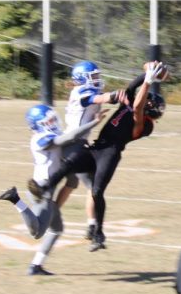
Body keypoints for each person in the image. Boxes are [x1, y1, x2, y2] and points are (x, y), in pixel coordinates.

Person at [29, 60, 168, 252]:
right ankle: (45, 187)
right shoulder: (128, 105)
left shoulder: (145, 125)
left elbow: (137, 106)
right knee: (69, 164)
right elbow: (130, 89)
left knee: (96, 191)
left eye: (151, 102)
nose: (148, 101)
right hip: (95, 147)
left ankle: (99, 234)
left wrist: (148, 83)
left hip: (110, 153)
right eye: (149, 99)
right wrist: (149, 73)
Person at [0, 104, 102, 275]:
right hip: (41, 188)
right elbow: (67, 139)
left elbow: (69, 148)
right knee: (37, 232)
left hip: (50, 187)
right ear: (39, 124)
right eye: (49, 120)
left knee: (57, 229)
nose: (53, 122)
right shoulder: (39, 138)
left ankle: (36, 266)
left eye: (53, 119)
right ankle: (15, 199)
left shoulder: (52, 133)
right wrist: (93, 123)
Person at [54, 60, 127, 241]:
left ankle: (53, 214)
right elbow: (98, 99)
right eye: (93, 76)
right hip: (73, 144)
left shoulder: (87, 90)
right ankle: (91, 225)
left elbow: (100, 96)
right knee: (92, 186)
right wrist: (117, 95)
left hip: (73, 143)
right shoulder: (81, 92)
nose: (97, 79)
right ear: (82, 78)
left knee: (72, 184)